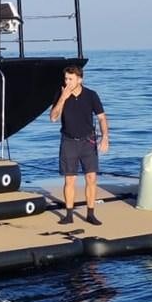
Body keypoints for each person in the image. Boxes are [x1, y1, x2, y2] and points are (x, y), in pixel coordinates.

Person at [49, 65, 110, 225]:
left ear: (79, 79)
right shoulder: (61, 93)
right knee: (70, 180)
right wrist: (63, 97)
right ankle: (69, 215)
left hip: (88, 141)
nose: (67, 82)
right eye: (66, 79)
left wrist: (105, 137)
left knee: (91, 178)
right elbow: (53, 118)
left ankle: (91, 213)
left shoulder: (91, 95)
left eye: (71, 79)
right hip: (68, 141)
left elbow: (102, 117)